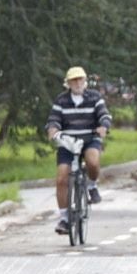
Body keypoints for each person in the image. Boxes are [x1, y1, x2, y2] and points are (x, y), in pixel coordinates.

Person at [45, 65, 111, 236]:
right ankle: (65, 219)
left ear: (85, 81)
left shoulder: (94, 97)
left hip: (90, 138)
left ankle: (92, 186)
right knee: (61, 178)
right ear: (67, 83)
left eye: (80, 79)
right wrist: (53, 129)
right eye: (73, 80)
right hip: (69, 142)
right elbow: (54, 119)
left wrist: (103, 126)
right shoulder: (61, 100)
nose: (77, 83)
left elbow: (104, 115)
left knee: (93, 162)